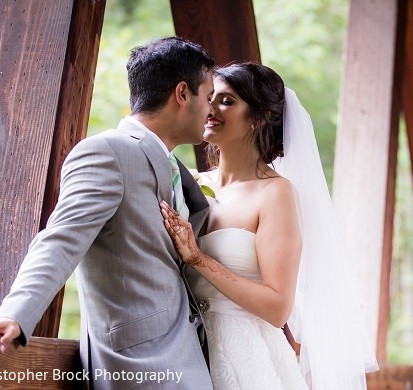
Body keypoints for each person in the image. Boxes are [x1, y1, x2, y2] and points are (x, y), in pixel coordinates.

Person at [0, 37, 215, 389]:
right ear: (182, 93)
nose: (210, 110)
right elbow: (61, 239)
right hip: (140, 367)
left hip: (191, 358)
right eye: (207, 97)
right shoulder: (107, 153)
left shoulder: (177, 170)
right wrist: (15, 314)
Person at [161, 62, 378, 389]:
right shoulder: (188, 182)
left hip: (245, 360)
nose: (211, 109)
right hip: (180, 354)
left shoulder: (275, 193)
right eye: (210, 97)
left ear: (259, 117)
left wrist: (197, 258)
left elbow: (278, 308)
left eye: (228, 101)